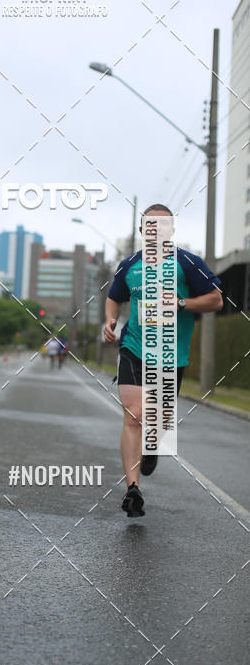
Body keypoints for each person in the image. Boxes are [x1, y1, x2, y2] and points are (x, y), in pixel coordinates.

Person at [103, 203, 222, 518]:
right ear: (142, 231)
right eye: (150, 225)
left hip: (171, 353)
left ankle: (151, 446)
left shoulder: (188, 263)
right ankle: (133, 489)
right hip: (134, 347)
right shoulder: (129, 265)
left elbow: (216, 299)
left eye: (163, 225)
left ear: (171, 230)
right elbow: (114, 297)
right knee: (134, 416)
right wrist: (110, 321)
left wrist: (181, 302)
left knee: (159, 422)